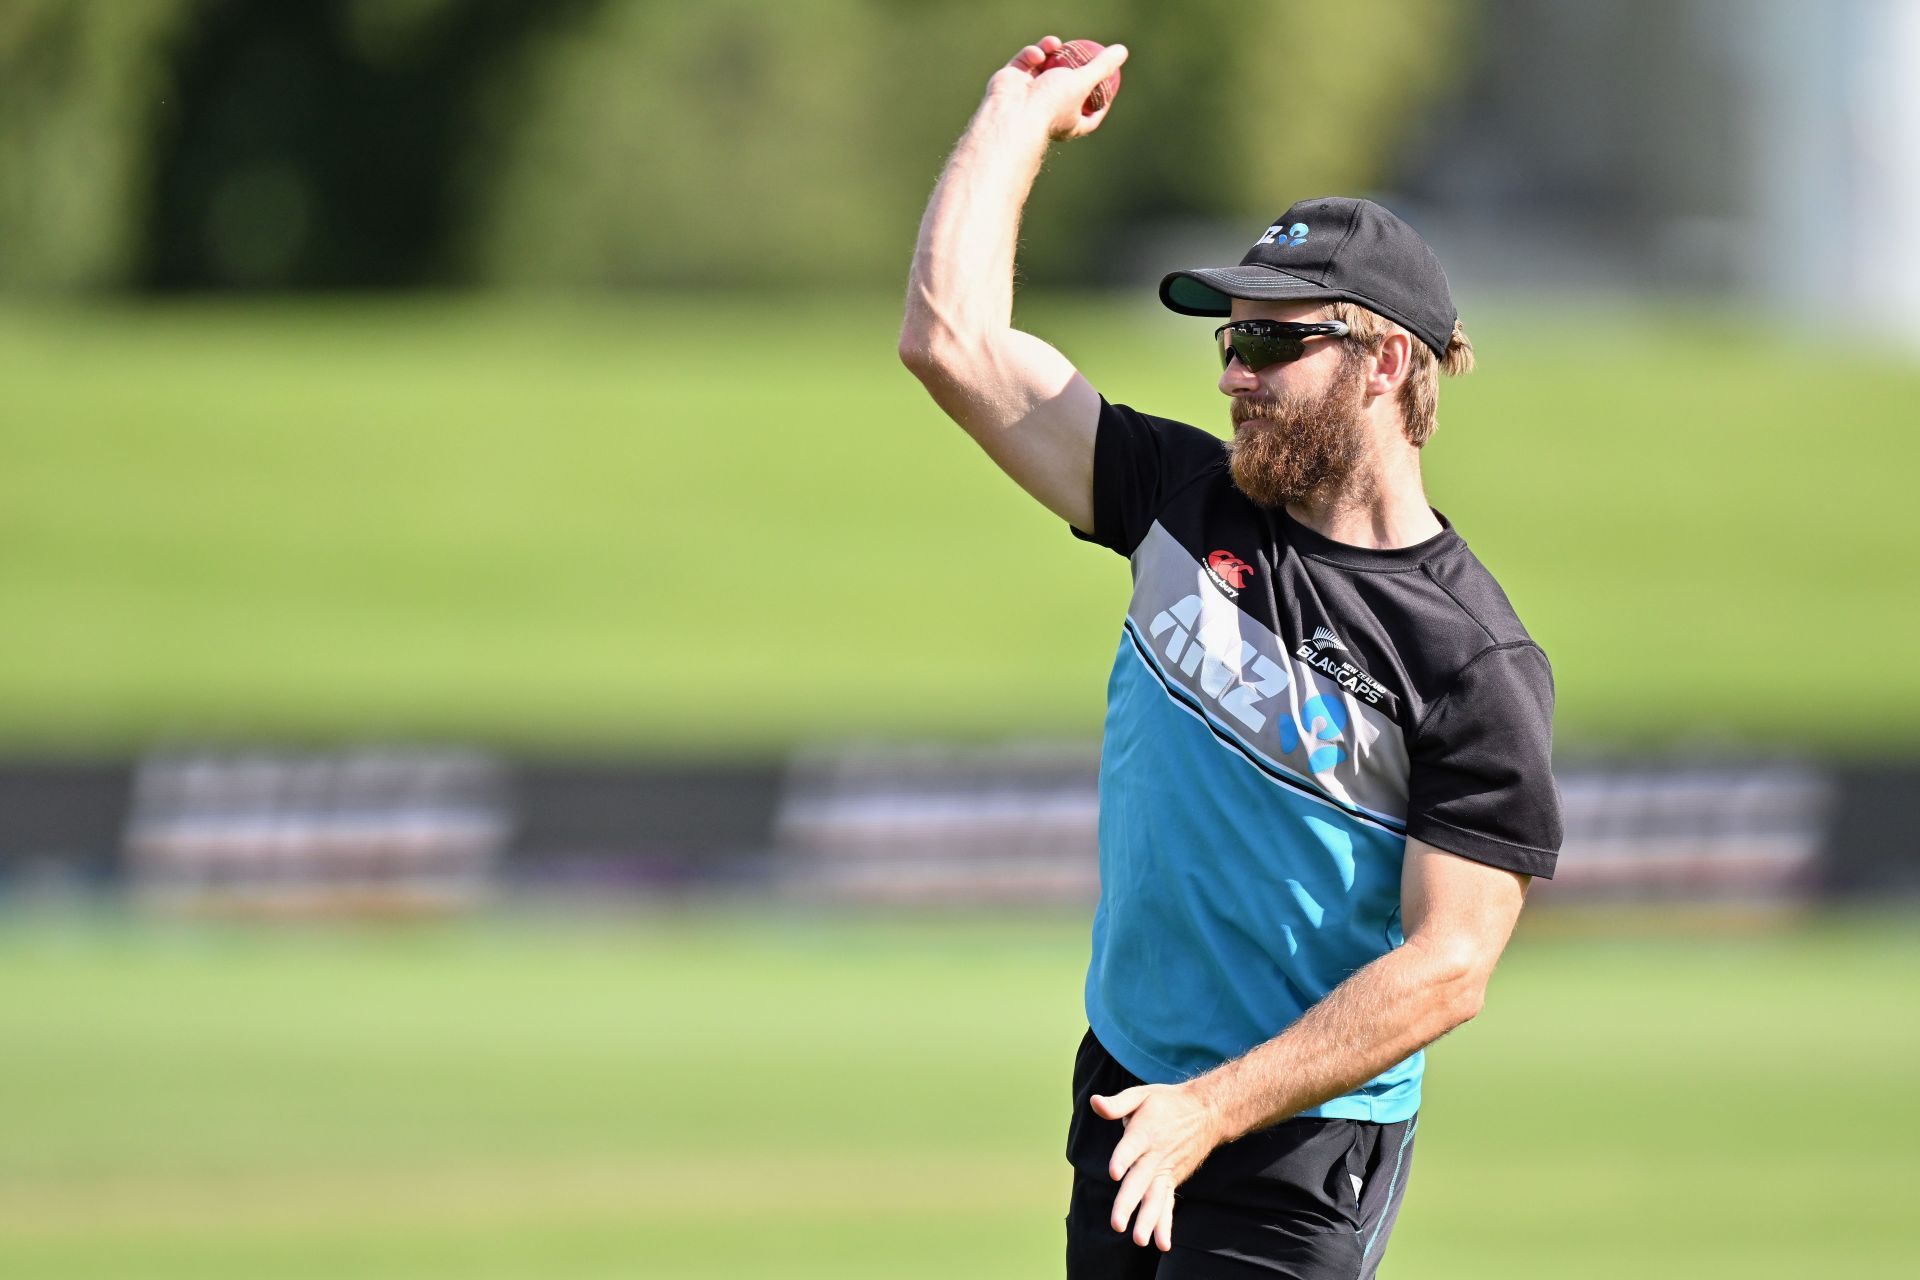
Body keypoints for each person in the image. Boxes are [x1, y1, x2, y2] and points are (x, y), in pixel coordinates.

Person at [898, 35, 1564, 1280]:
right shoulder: (1178, 498)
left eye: (1271, 346)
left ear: (1387, 363)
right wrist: (1014, 117)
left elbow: (1449, 965)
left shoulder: (1472, 661)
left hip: (1299, 1145)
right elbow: (952, 340)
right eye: (1227, 341)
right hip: (1126, 1088)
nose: (1230, 373)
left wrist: (1215, 1105)